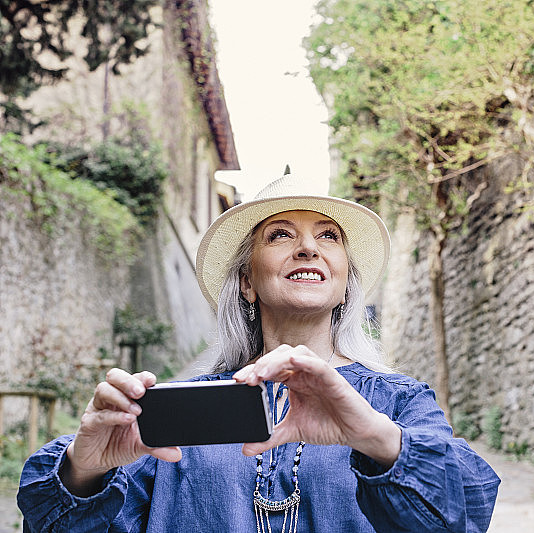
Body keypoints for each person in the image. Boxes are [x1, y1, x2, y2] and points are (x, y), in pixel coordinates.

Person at [17, 174, 500, 532]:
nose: (309, 247)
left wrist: (375, 437)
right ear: (248, 281)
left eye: (328, 236)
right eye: (282, 234)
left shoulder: (399, 403)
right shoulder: (179, 412)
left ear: (346, 286)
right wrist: (85, 469)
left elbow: (463, 513)